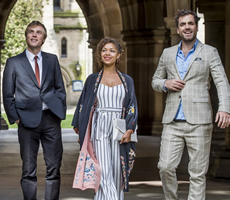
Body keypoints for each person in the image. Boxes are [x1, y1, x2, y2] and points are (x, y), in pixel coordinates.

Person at [152, 9, 230, 200]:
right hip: (172, 120)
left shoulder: (210, 52)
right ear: (178, 29)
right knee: (165, 167)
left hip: (199, 121)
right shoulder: (168, 53)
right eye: (183, 24)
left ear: (196, 26)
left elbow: (221, 81)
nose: (187, 27)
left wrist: (224, 108)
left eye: (190, 23)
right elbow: (155, 79)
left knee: (197, 173)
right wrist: (165, 84)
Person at [2, 20, 66, 200]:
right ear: (26, 36)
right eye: (31, 31)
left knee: (54, 167)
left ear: (44, 38)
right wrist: (16, 118)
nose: (34, 34)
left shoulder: (52, 59)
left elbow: (60, 88)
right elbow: (8, 95)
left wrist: (59, 110)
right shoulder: (13, 62)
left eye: (38, 32)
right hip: (26, 121)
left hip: (51, 119)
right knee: (28, 169)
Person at [72, 37, 138, 200]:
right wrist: (78, 123)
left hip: (120, 129)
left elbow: (132, 106)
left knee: (117, 173)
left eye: (112, 50)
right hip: (99, 127)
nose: (107, 53)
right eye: (104, 50)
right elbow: (83, 104)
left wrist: (130, 129)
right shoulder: (92, 80)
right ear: (99, 54)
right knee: (104, 172)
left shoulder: (127, 80)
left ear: (118, 55)